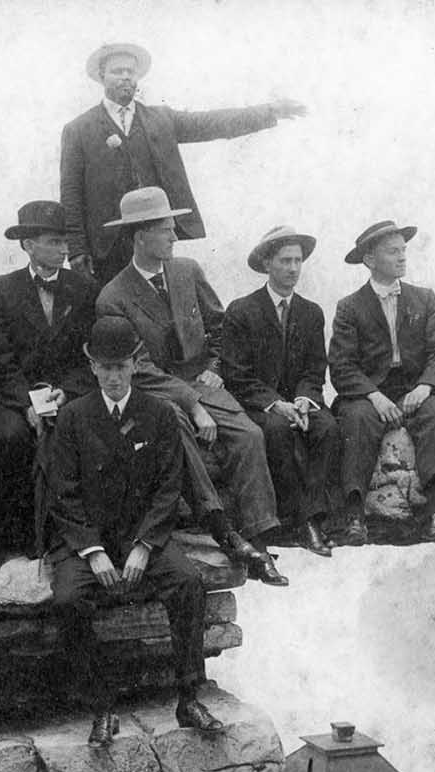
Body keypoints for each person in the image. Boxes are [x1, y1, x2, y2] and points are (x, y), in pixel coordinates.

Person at [96, 187, 289, 587]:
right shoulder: (113, 296)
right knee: (176, 428)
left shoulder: (188, 271)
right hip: (152, 389)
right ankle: (225, 532)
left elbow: (220, 328)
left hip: (200, 377)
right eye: (166, 230)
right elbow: (139, 367)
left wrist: (215, 366)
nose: (174, 237)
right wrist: (194, 405)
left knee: (249, 434)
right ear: (139, 237)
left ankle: (260, 541)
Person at [48, 316, 226, 747]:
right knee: (69, 599)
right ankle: (100, 704)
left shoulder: (159, 414)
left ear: (134, 365)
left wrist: (145, 546)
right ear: (92, 366)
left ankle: (188, 695)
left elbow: (168, 488)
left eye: (121, 367)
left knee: (186, 582)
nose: (113, 377)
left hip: (142, 536)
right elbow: (63, 494)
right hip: (87, 542)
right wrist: (92, 551)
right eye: (105, 368)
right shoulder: (73, 418)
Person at [61, 41, 306, 285]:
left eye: (131, 71)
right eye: (117, 71)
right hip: (107, 246)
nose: (126, 77)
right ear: (102, 76)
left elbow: (211, 123)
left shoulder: (160, 119)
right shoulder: (79, 129)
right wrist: (77, 250)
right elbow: (71, 194)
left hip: (156, 240)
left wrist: (270, 112)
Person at [329, 220, 435, 546]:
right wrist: (374, 396)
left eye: (403, 251)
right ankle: (355, 516)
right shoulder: (350, 307)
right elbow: (342, 366)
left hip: (415, 387)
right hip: (368, 393)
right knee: (356, 420)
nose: (402, 258)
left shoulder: (424, 299)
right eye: (392, 252)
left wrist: (426, 387)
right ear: (370, 260)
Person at [0, 200, 99, 554]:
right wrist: (28, 404)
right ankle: (16, 540)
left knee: (76, 435)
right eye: (53, 241)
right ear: (28, 245)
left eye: (65, 240)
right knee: (10, 438)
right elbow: (0, 360)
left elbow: (89, 355)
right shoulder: (1, 290)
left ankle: (70, 535)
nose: (64, 249)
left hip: (69, 392)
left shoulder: (84, 288)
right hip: (15, 396)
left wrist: (66, 392)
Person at [222, 225, 340, 557]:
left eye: (297, 261)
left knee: (327, 428)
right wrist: (275, 404)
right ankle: (302, 521)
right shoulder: (242, 311)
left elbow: (316, 368)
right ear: (267, 264)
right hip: (259, 405)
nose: (292, 269)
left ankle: (316, 514)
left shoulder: (311, 311)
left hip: (300, 402)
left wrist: (303, 400)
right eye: (285, 260)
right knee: (276, 431)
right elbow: (237, 375)